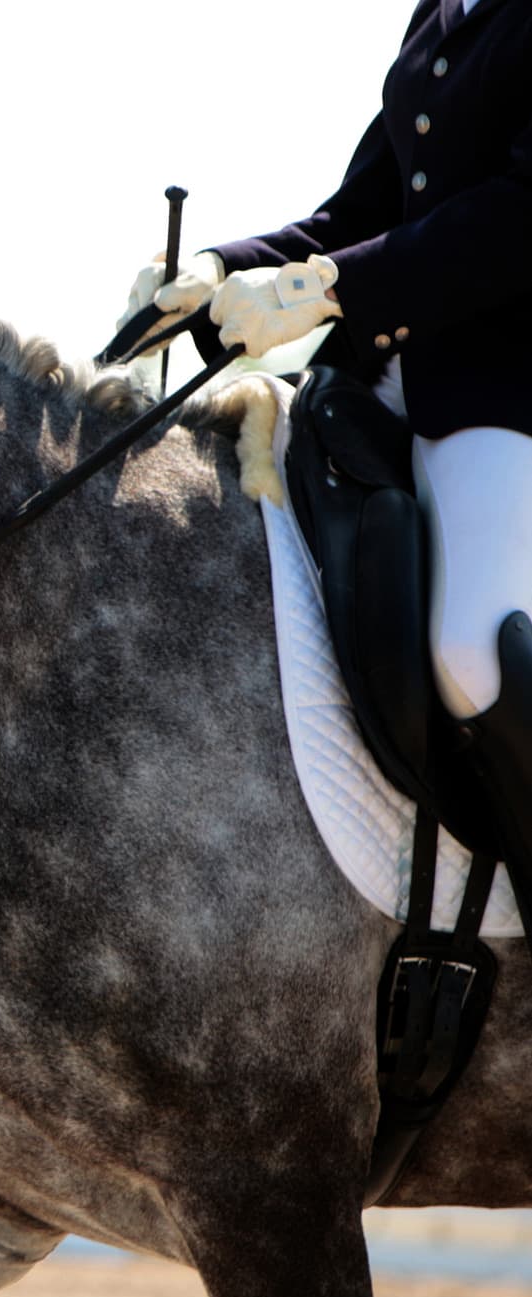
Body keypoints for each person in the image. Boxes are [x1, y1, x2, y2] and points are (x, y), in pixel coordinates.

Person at [120, 0, 532, 899]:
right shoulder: (441, 11)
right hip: (375, 393)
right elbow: (365, 209)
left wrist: (327, 287)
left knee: (473, 652)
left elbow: (520, 215)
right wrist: (223, 271)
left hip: (504, 397)